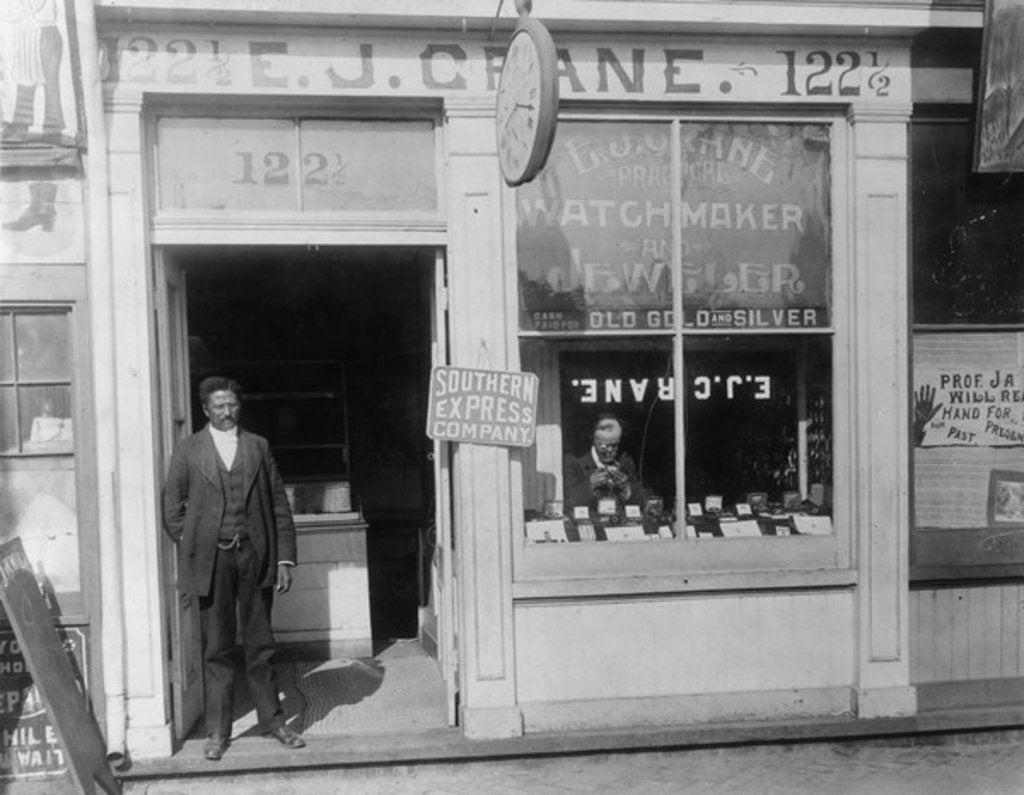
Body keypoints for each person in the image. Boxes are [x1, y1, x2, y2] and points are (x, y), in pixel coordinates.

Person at [162, 376, 305, 761]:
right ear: (205, 410)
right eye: (219, 406)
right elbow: (172, 506)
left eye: (232, 405)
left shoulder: (258, 446)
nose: (227, 412)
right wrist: (194, 543)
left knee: (261, 645)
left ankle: (274, 722)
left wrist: (284, 558)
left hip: (254, 557)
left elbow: (278, 504)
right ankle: (217, 732)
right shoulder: (189, 450)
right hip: (212, 562)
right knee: (218, 648)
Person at [563, 413, 644, 513]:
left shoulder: (625, 461)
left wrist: (627, 489)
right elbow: (567, 501)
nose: (609, 450)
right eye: (603, 445)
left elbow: (643, 500)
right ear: (593, 439)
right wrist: (590, 484)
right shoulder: (574, 461)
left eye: (614, 445)